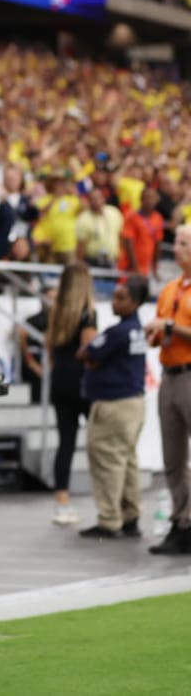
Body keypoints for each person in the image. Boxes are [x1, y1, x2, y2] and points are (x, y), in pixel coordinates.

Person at [76, 274, 149, 539]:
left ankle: (109, 519)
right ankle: (131, 515)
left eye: (121, 298)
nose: (114, 302)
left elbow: (86, 353)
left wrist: (90, 357)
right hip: (133, 402)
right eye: (114, 296)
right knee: (126, 460)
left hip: (115, 404)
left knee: (107, 460)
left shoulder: (119, 332)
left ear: (136, 302)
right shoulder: (135, 329)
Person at [142, 224, 191, 555]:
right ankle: (182, 520)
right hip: (170, 373)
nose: (177, 249)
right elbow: (161, 330)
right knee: (172, 456)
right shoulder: (169, 289)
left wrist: (171, 326)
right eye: (176, 242)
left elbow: (172, 326)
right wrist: (156, 334)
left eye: (184, 243)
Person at [45, 262, 98, 526]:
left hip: (60, 381)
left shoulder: (57, 312)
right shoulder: (88, 314)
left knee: (65, 442)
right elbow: (89, 352)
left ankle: (62, 503)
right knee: (99, 442)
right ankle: (106, 499)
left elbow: (50, 350)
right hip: (83, 382)